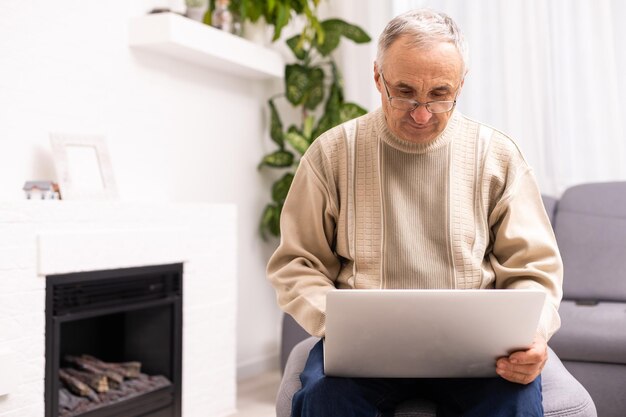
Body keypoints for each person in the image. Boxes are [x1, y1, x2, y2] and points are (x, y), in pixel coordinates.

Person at [267, 8, 562, 417]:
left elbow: (534, 270)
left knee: (514, 405)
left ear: (461, 84)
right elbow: (297, 263)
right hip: (362, 351)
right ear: (377, 78)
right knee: (326, 401)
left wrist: (532, 333)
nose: (421, 113)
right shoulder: (331, 154)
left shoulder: (498, 156)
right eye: (404, 92)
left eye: (440, 94)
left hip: (478, 351)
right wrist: (335, 323)